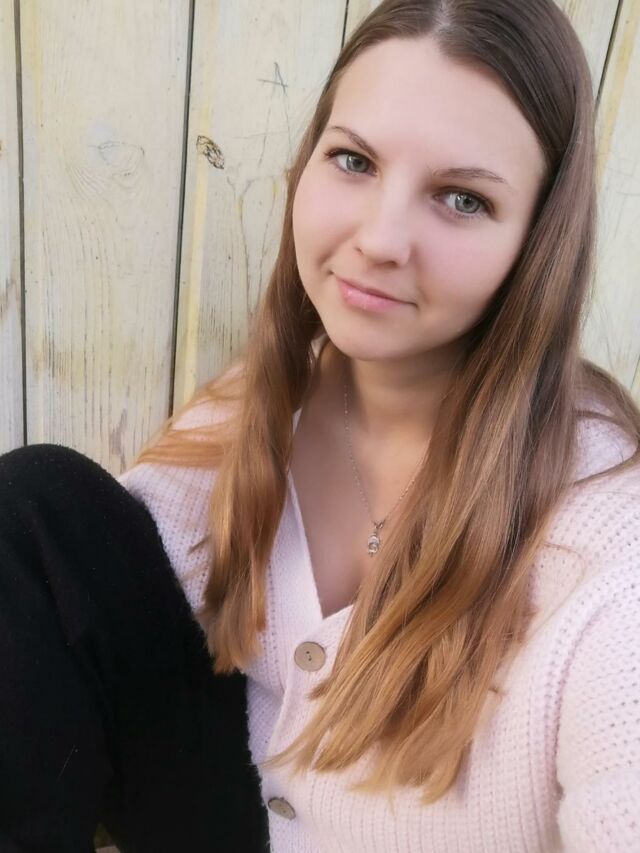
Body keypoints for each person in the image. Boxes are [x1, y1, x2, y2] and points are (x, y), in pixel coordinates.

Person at [1, 0, 639, 850]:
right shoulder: (263, 404)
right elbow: (99, 600)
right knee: (35, 507)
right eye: (354, 160)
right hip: (237, 813)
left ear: (538, 242)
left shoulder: (609, 547)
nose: (380, 239)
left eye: (462, 198)